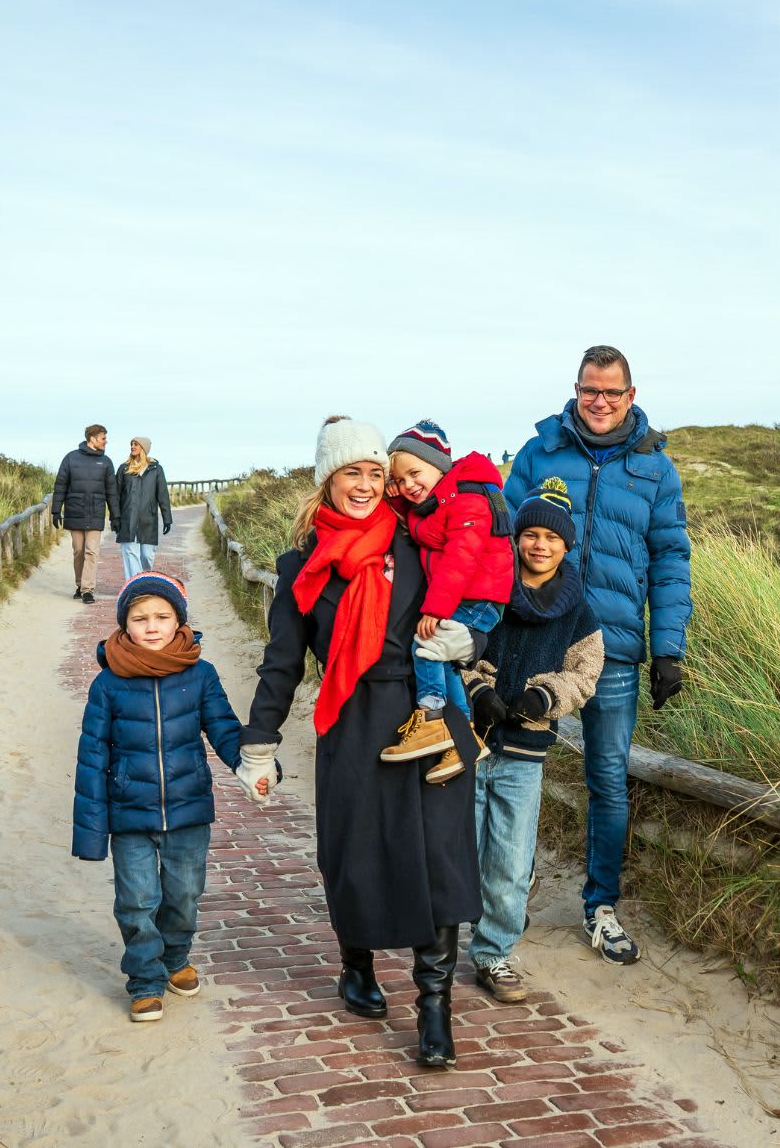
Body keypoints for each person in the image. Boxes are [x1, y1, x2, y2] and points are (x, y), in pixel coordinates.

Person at [235, 416, 481, 1069]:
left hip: (427, 716)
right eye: (354, 472)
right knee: (354, 856)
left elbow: (477, 594)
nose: (368, 484)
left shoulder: (418, 539)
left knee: (440, 860)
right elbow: (283, 663)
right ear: (328, 480)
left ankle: (434, 1008)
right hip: (351, 718)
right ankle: (357, 967)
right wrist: (259, 742)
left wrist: (470, 643)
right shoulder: (301, 568)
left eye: (376, 472)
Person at [508, 345, 693, 966]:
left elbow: (671, 561)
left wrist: (668, 646)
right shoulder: (540, 453)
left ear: (631, 396)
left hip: (613, 648)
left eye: (613, 392)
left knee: (607, 779)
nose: (601, 402)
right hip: (536, 637)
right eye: (591, 390)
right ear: (577, 389)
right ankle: (509, 892)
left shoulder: (655, 469)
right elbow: (501, 537)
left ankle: (601, 906)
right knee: (516, 768)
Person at [70, 571, 267, 1022]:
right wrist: (90, 832)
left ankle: (175, 957)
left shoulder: (201, 675)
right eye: (140, 618)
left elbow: (223, 728)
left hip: (188, 810)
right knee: (137, 902)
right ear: (125, 625)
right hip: (129, 815)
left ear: (179, 621)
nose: (152, 626)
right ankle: (144, 979)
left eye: (162, 616)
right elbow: (92, 757)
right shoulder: (109, 683)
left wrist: (250, 765)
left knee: (183, 896)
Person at [460, 477, 603, 1002]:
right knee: (465, 849)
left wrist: (546, 697)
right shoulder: (488, 592)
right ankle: (450, 929)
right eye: (531, 534)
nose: (540, 545)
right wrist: (478, 689)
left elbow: (586, 671)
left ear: (567, 547)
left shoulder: (577, 609)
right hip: (472, 744)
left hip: (525, 754)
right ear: (517, 537)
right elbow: (460, 650)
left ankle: (494, 953)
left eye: (553, 538)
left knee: (511, 859)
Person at [377, 420, 514, 785]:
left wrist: (435, 609)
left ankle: (432, 716)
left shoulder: (466, 497)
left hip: (478, 597)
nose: (408, 485)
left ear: (439, 464)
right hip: (468, 594)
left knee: (426, 643)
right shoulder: (434, 502)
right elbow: (407, 515)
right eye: (399, 479)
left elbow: (460, 559)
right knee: (446, 660)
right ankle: (465, 735)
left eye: (414, 473)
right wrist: (390, 492)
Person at [52, 424, 118, 603]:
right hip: (75, 512)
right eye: (103, 438)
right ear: (93, 438)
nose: (106, 441)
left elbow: (112, 491)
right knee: (78, 551)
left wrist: (115, 516)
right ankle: (80, 584)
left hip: (96, 513)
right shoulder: (70, 458)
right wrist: (56, 510)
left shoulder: (106, 462)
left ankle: (87, 590)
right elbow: (60, 486)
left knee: (91, 551)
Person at [115, 436, 174, 581]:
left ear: (144, 448)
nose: (132, 447)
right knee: (130, 554)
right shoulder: (124, 469)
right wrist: (115, 518)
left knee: (147, 556)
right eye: (131, 444)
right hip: (127, 520)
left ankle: (144, 579)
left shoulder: (156, 470)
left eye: (136, 444)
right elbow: (115, 496)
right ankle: (136, 585)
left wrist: (167, 519)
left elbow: (163, 495)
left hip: (148, 521)